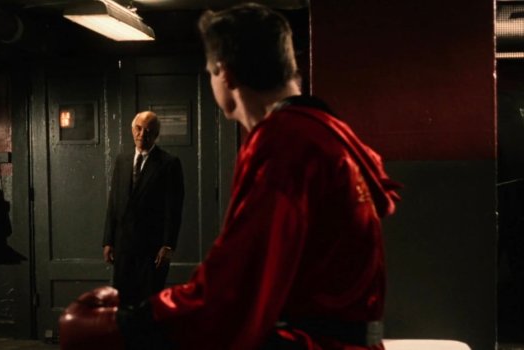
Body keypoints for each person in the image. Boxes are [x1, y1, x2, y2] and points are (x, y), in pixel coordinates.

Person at [60, 2, 402, 350]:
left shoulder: (283, 143)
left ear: (225, 74)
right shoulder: (329, 133)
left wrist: (126, 326)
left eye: (209, 71)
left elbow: (231, 288)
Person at [102, 110, 185, 308]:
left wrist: (168, 245)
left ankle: (147, 339)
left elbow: (173, 208)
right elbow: (114, 202)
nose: (142, 134)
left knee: (148, 304)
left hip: (152, 249)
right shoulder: (122, 160)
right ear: (132, 130)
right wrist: (108, 240)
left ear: (156, 134)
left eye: (148, 131)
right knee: (123, 302)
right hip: (123, 247)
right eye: (138, 129)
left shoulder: (169, 163)